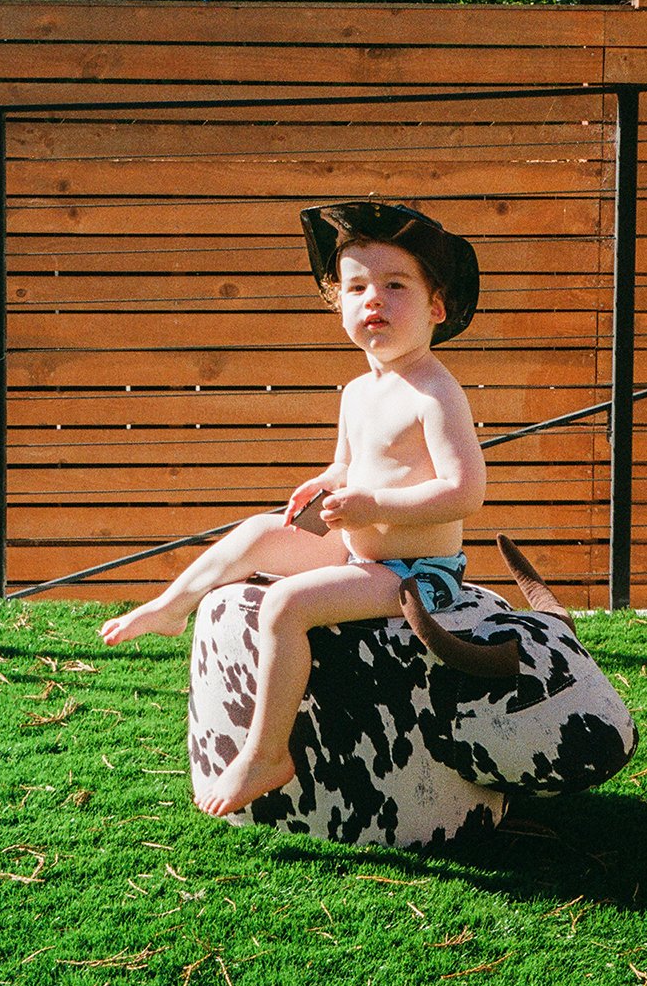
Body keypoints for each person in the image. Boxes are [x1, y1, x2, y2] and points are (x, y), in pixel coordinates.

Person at [99, 199, 487, 816]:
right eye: (357, 287)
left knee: (284, 603)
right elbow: (348, 466)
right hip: (358, 547)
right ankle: (173, 606)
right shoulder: (359, 391)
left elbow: (465, 491)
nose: (373, 301)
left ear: (436, 308)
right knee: (256, 531)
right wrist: (326, 483)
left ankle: (267, 752)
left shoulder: (435, 393)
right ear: (340, 306)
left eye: (395, 285)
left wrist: (373, 503)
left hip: (418, 577)